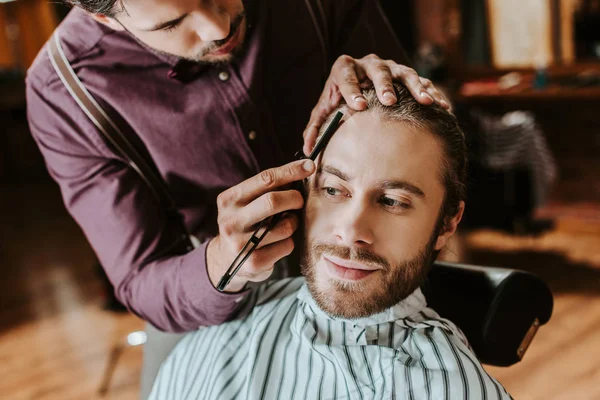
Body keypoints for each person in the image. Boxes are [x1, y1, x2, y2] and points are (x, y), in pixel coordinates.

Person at [26, 0, 447, 333]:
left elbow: (428, 142)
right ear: (102, 16)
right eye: (172, 24)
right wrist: (224, 260)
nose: (219, 26)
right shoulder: (64, 93)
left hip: (380, 266)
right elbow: (140, 278)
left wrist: (377, 90)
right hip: (211, 304)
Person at [148, 83, 512, 400]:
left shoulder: (449, 388)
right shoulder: (224, 325)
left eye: (393, 201)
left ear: (448, 223)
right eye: (334, 189)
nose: (351, 230)